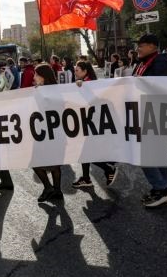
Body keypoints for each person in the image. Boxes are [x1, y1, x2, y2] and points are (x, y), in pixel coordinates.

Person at [132, 34, 167, 208]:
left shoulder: (161, 61)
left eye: (141, 45)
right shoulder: (142, 62)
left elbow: (160, 86)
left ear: (152, 46)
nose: (138, 49)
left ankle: (162, 188)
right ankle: (164, 189)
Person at [71, 61, 118, 188]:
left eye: (77, 70)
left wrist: (84, 86)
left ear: (85, 71)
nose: (75, 72)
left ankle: (108, 168)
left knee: (85, 153)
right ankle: (86, 178)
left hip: (94, 123)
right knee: (85, 153)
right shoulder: (85, 82)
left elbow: (92, 101)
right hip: (90, 122)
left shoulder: (89, 83)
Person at [32, 64, 64, 203]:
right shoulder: (47, 90)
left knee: (36, 162)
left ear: (43, 76)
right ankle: (56, 190)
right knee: (54, 164)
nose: (34, 77)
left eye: (36, 74)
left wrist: (79, 85)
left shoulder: (51, 91)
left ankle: (49, 188)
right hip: (52, 133)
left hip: (48, 132)